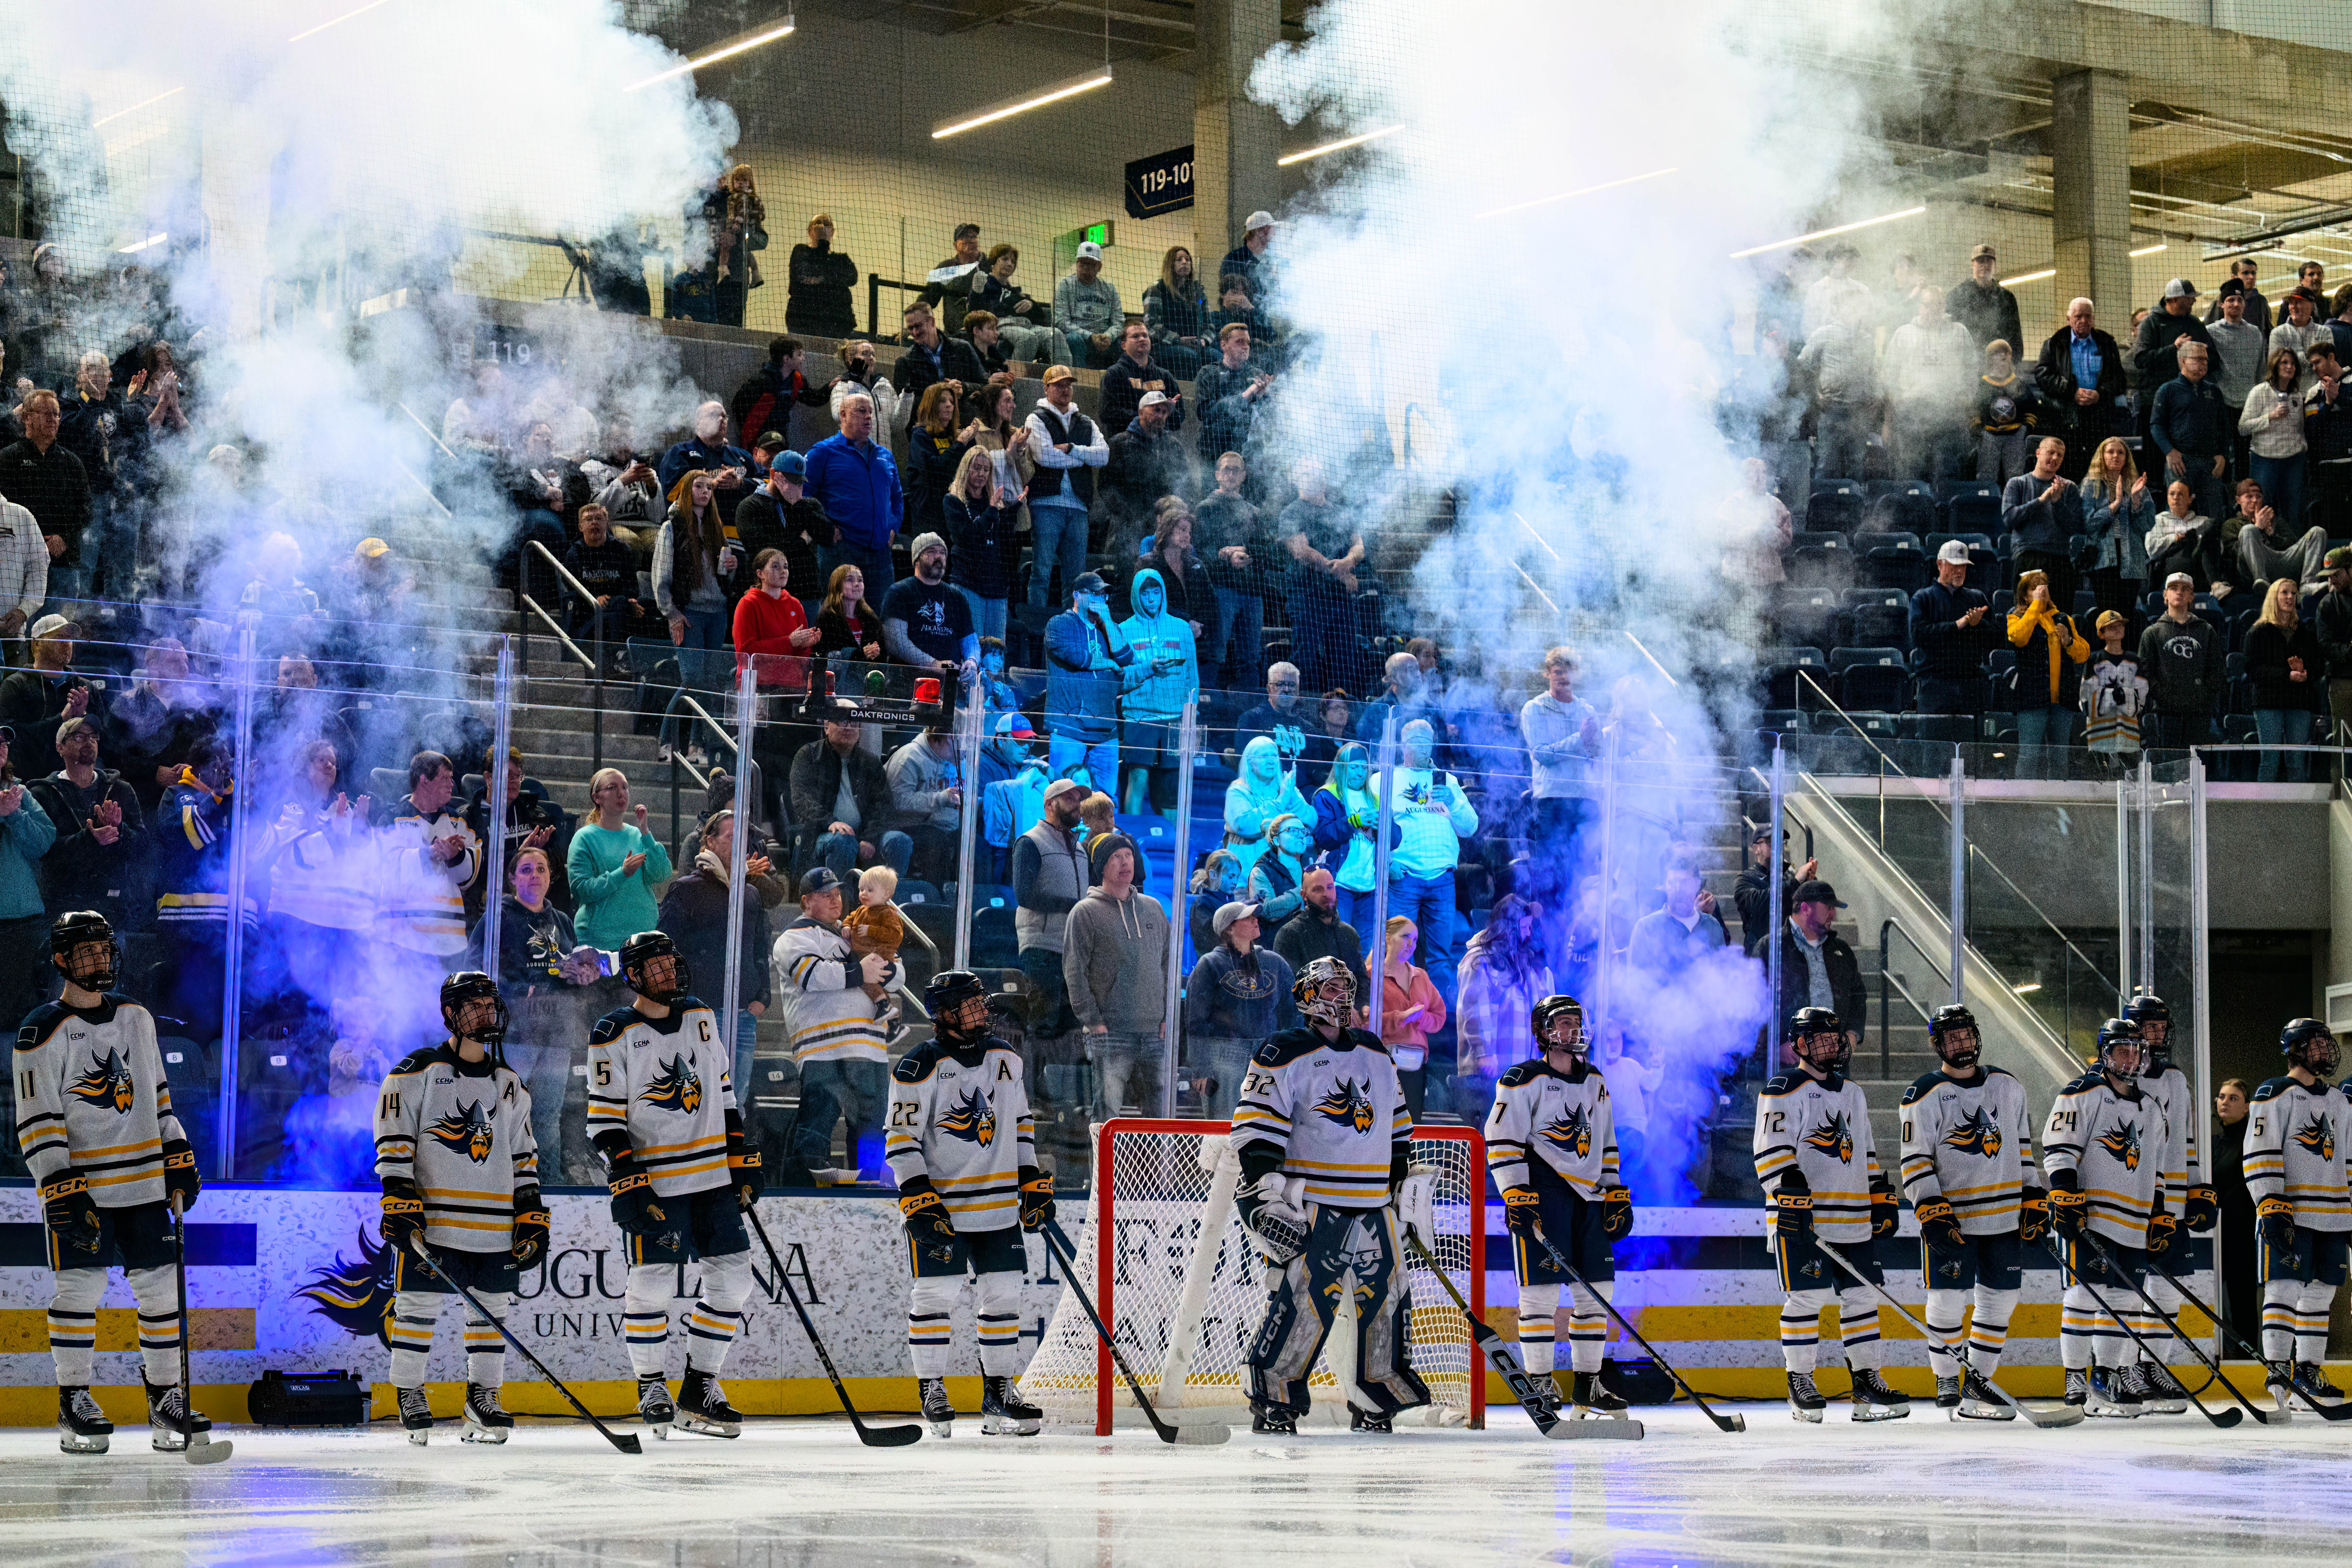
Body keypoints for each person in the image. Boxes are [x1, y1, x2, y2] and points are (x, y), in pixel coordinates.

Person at [20, 911, 207, 1455]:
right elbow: (38, 1118)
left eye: (104, 949)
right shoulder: (41, 1030)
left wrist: (176, 1147)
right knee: (79, 1289)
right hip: (85, 1188)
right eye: (86, 952)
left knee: (161, 1290)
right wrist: (59, 1183)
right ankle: (73, 1399)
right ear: (61, 959)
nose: (99, 960)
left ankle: (164, 1398)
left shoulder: (136, 1017)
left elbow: (159, 1096)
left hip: (145, 1184)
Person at [1231, 955, 1427, 1436]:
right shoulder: (1284, 1050)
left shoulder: (1376, 1052)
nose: (1342, 996)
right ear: (1307, 996)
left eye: (1346, 987)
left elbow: (1397, 1125)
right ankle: (1274, 1398)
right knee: (1304, 1302)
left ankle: (1375, 1395)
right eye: (1332, 989)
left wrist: (1401, 1183)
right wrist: (1264, 1184)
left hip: (1373, 1205)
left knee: (1387, 1300)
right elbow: (1257, 1126)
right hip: (1314, 1201)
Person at [587, 930, 761, 1439]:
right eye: (655, 967)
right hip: (657, 1181)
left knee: (734, 1280)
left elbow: (725, 1093)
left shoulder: (702, 1016)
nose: (668, 972)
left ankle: (699, 1388)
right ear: (634, 975)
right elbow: (603, 1120)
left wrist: (741, 1155)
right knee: (653, 1284)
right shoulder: (612, 1032)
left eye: (670, 962)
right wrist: (627, 1176)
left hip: (713, 1177)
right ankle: (651, 1385)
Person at [370, 973, 543, 1445]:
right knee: (418, 1307)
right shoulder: (417, 1070)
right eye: (474, 1005)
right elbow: (393, 1139)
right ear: (449, 1013)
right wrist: (399, 1196)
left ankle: (482, 1397)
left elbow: (524, 1154)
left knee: (491, 1312)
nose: (486, 1012)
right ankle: (409, 1391)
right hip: (437, 1221)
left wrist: (530, 1210)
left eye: (490, 1003)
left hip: (494, 1224)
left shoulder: (509, 1083)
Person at [887, 969, 1047, 1438]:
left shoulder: (1005, 1057)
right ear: (945, 1013)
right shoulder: (919, 1066)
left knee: (1004, 1295)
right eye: (970, 1004)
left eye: (981, 1002)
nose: (982, 1010)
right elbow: (900, 1138)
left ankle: (999, 1392)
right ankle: (932, 1388)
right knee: (936, 1295)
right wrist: (917, 1195)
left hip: (997, 1207)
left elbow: (1020, 1122)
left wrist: (1031, 1178)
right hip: (944, 1207)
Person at [1752, 1006, 1905, 1422]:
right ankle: (1798, 1380)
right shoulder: (1783, 1087)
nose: (1832, 1045)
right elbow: (1770, 1151)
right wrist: (1788, 1193)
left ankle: (1865, 1381)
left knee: (1861, 1297)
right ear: (1800, 1044)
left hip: (1852, 1215)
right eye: (1820, 1038)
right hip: (1801, 1217)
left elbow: (1866, 1153)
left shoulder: (1852, 1092)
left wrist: (1879, 1194)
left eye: (1835, 1037)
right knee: (1807, 1296)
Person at [1486, 995, 1634, 1421]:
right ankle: (1540, 1382)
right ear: (1542, 1032)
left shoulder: (1596, 1080)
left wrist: (1613, 1191)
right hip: (1543, 1193)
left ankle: (1588, 1384)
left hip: (1588, 1199)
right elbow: (1502, 1140)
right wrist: (1515, 1193)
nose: (1573, 1030)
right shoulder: (1522, 1078)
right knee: (1540, 1296)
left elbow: (1606, 1141)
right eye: (1563, 1023)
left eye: (1576, 1022)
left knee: (1597, 1294)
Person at [1896, 1003, 2044, 1421]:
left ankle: (1979, 1383)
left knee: (2001, 1301)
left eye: (1966, 1035)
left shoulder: (2008, 1086)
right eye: (1951, 1037)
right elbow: (1914, 1159)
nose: (1961, 1043)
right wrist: (1928, 1206)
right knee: (1947, 1300)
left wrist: (2033, 1197)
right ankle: (1946, 1377)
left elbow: (2022, 1150)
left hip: (2002, 1220)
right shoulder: (1923, 1093)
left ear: (1976, 1036)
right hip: (1953, 1220)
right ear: (1938, 1045)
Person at [2043, 1018, 2178, 1417]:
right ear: (2105, 1053)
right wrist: (2065, 1196)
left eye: (2138, 1050)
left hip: (2134, 1219)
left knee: (2124, 1301)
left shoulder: (2151, 1106)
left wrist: (2157, 1214)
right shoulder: (2081, 1092)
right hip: (2091, 1216)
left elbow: (2154, 1168)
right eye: (2123, 1049)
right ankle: (2073, 1375)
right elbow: (2058, 1149)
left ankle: (2105, 1376)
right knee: (2084, 1294)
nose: (2132, 1057)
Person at [471, 846, 595, 1180]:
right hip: (514, 1037)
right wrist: (520, 987)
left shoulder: (563, 922)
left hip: (556, 1036)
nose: (535, 876)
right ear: (512, 879)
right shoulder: (497, 919)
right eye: (526, 870)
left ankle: (550, 1186)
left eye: (541, 869)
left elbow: (567, 971)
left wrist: (580, 977)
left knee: (547, 1116)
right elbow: (475, 971)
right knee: (503, 1114)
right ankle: (495, 1182)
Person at [2246, 1019, 2352, 1407]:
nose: (2325, 1050)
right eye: (2316, 1044)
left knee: (2321, 1295)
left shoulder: (2339, 1101)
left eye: (2326, 1043)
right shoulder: (2273, 1094)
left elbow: (2348, 1160)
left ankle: (2307, 1371)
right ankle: (2277, 1373)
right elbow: (2259, 1152)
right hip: (2290, 1211)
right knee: (2283, 1290)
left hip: (2334, 1215)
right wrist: (2269, 1201)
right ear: (2295, 1048)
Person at [771, 866, 894, 1184]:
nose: (835, 900)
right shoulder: (793, 937)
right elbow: (812, 976)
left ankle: (870, 1182)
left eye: (837, 894)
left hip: (869, 1044)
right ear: (805, 901)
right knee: (817, 1124)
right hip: (822, 1047)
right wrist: (861, 972)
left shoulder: (854, 932)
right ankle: (801, 1196)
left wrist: (884, 967)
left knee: (871, 1126)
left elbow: (898, 973)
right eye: (826, 895)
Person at [656, 808, 774, 1122]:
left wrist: (763, 995)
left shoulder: (750, 893)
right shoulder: (687, 888)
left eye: (744, 837)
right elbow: (664, 948)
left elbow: (761, 948)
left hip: (743, 1015)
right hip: (699, 1012)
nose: (740, 843)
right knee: (698, 1100)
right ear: (709, 841)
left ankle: (729, 1169)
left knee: (736, 1102)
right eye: (731, 836)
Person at [372, 753, 484, 1046]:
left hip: (450, 944)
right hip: (404, 942)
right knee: (404, 1022)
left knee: (444, 1023)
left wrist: (455, 855)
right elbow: (387, 870)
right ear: (424, 780)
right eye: (445, 778)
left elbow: (469, 878)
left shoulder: (460, 823)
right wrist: (430, 854)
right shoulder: (391, 818)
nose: (452, 785)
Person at [1063, 834, 1169, 1120]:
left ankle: (1157, 1168)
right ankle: (1102, 1168)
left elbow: (1167, 965)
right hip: (1110, 1033)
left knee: (1161, 1116)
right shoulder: (1085, 912)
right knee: (1107, 1115)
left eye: (1129, 855)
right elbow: (1075, 972)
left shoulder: (1154, 908)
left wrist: (1167, 1017)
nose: (1125, 863)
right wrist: (1094, 1022)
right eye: (1116, 857)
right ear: (1102, 866)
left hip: (1154, 1033)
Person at [1372, 719, 1476, 1007]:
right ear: (1403, 744)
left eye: (1427, 739)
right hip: (1404, 877)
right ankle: (1392, 1011)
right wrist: (1388, 861)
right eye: (1416, 739)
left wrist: (1454, 802)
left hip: (1442, 878)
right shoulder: (1385, 779)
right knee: (1395, 949)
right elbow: (1373, 828)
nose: (1422, 745)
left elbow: (1471, 828)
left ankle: (1439, 1021)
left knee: (1441, 956)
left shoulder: (1448, 780)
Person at [29, 716, 145, 937]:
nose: (89, 742)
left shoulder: (121, 790)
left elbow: (143, 848)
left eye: (93, 737)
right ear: (60, 747)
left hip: (113, 910)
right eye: (79, 737)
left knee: (113, 970)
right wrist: (90, 839)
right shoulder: (42, 793)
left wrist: (119, 830)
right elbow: (45, 851)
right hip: (63, 911)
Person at [1184, 900, 1293, 1118]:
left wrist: (1291, 1055)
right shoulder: (1210, 964)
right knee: (1224, 1129)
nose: (1255, 920)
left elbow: (1291, 1012)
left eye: (1255, 916)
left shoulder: (1275, 963)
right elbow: (1196, 1021)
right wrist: (1201, 1068)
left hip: (1268, 1054)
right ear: (1229, 928)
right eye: (1247, 917)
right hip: (1223, 1056)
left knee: (1266, 1125)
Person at [1452, 894, 1553, 1115]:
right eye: (1524, 926)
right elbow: (1476, 1008)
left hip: (1521, 1071)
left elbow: (1542, 1006)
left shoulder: (1523, 962)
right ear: (1509, 928)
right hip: (1489, 1073)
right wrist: (1484, 1053)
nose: (1528, 933)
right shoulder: (1480, 960)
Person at [789, 708, 913, 883]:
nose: (849, 727)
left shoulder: (869, 762)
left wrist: (869, 839)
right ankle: (839, 906)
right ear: (826, 726)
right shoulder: (808, 756)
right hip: (821, 835)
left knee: (900, 840)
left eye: (854, 723)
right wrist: (831, 822)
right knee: (842, 841)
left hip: (866, 834)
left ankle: (890, 906)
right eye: (842, 722)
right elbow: (802, 801)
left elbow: (884, 807)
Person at [1280, 459, 1367, 696]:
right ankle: (1305, 712)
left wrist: (1348, 563)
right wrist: (1337, 571)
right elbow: (1301, 550)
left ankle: (1338, 716)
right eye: (1307, 474)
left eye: (1318, 473)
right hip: (1308, 598)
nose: (1314, 478)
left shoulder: (1340, 512)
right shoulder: (1291, 512)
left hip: (1341, 602)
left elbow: (1358, 546)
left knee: (1343, 663)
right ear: (1297, 479)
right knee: (1305, 660)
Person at [1024, 365, 1108, 609]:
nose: (1065, 389)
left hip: (1079, 508)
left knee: (1076, 579)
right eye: (1059, 385)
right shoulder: (1035, 418)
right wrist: (1084, 459)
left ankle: (1072, 627)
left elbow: (1103, 456)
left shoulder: (1086, 421)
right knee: (1041, 572)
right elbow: (1044, 457)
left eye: (1068, 384)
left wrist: (1072, 449)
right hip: (1045, 506)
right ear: (1046, 388)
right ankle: (1036, 626)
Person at [804, 393, 903, 598]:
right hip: (840, 551)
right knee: (839, 618)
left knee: (880, 618)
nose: (868, 417)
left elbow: (897, 497)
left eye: (870, 412)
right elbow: (804, 498)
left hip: (881, 554)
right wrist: (825, 529)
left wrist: (893, 527)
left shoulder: (885, 455)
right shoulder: (822, 452)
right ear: (843, 415)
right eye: (861, 411)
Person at [1116, 564, 1196, 813]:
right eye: (1145, 593)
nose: (1151, 599)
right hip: (1140, 717)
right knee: (1138, 780)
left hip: (1175, 718)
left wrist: (1192, 716)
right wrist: (1148, 668)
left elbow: (1192, 676)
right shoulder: (1123, 630)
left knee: (1172, 787)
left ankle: (1173, 846)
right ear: (1135, 596)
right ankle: (1132, 841)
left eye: (1156, 592)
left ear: (1163, 593)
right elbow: (1121, 679)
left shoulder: (1182, 628)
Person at [566, 768, 673, 953]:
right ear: (597, 798)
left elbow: (662, 874)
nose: (621, 793)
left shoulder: (638, 834)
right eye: (612, 787)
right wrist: (622, 874)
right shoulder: (584, 838)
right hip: (601, 942)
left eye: (625, 787)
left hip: (643, 939)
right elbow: (581, 891)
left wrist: (646, 833)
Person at [1042, 572, 1131, 792]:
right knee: (1064, 797)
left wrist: (1108, 621)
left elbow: (1127, 658)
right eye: (1094, 594)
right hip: (1069, 729)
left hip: (1106, 730)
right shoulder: (1059, 624)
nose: (1100, 600)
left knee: (1107, 801)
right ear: (1076, 596)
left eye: (1103, 595)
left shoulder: (1108, 628)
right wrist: (1110, 664)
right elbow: (1079, 658)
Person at [0, 390, 90, 601]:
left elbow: (85, 509)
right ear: (27, 417)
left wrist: (64, 539)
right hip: (16, 565)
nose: (53, 419)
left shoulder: (72, 463)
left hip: (62, 564)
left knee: (58, 631)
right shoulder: (7, 460)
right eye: (46, 413)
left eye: (57, 414)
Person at [1880, 286, 1975, 483]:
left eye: (1938, 305)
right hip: (1911, 416)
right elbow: (1889, 375)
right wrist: (1893, 412)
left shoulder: (1959, 333)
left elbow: (1972, 371)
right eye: (1928, 305)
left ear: (1945, 307)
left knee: (1947, 474)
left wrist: (1965, 401)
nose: (1933, 310)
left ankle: (1943, 512)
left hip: (1949, 415)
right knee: (1911, 472)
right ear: (1920, 306)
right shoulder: (1903, 333)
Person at [2007, 568, 2092, 780]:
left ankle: (2058, 808)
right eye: (2034, 589)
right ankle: (2024, 805)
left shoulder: (2063, 618)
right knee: (2029, 757)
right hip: (2031, 699)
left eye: (2043, 588)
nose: (2040, 592)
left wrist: (2069, 641)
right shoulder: (2015, 616)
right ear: (2025, 595)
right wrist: (2035, 606)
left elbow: (2084, 655)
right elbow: (2018, 638)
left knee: (2060, 759)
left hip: (2062, 700)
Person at [1521, 645, 1602, 862]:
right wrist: (1580, 738)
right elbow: (1543, 755)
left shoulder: (1587, 711)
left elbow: (1596, 756)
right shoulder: (1533, 708)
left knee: (1582, 869)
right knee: (1549, 869)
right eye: (1558, 672)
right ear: (1548, 673)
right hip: (1551, 800)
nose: (1564, 677)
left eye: (1569, 671)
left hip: (1584, 800)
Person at [2034, 300, 2127, 480]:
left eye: (2088, 316)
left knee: (2098, 469)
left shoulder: (2107, 343)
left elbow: (2120, 380)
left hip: (2099, 418)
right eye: (2078, 316)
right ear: (2069, 319)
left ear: (2093, 319)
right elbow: (2043, 376)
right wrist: (2072, 392)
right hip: (2065, 418)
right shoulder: (2053, 344)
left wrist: (2101, 394)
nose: (2083, 320)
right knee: (2067, 468)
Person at [733, 450, 835, 613]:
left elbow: (829, 535)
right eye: (789, 480)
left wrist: (801, 506)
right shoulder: (749, 507)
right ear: (773, 474)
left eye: (798, 482)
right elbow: (764, 551)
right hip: (769, 595)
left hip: (805, 592)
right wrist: (802, 541)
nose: (794, 486)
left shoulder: (803, 505)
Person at [2245, 575, 2325, 782]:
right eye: (2285, 593)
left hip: (2299, 703)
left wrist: (2305, 674)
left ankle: (2297, 812)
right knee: (2269, 759)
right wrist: (2287, 675)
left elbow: (2318, 667)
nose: (2290, 597)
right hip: (2268, 703)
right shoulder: (2258, 633)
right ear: (2274, 597)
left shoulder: (2306, 634)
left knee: (2296, 761)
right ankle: (2263, 812)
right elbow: (2254, 672)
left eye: (2294, 593)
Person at [2138, 573, 2226, 753]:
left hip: (2199, 713)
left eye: (2185, 590)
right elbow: (2146, 674)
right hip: (2165, 713)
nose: (2180, 593)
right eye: (2174, 589)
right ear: (2165, 595)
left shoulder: (2206, 630)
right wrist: (2165, 698)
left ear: (2192, 597)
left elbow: (2217, 670)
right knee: (2170, 766)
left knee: (2198, 767)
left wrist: (2202, 698)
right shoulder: (2152, 633)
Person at [654, 470, 741, 653]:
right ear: (687, 490)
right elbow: (661, 576)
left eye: (709, 487)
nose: (705, 492)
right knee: (693, 676)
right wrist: (673, 614)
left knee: (712, 675)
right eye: (699, 486)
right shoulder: (671, 527)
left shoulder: (717, 528)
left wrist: (731, 567)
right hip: (689, 612)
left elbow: (724, 576)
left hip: (718, 612)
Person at [1908, 541, 1996, 718]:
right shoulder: (1923, 597)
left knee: (1972, 745)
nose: (1959, 570)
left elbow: (1997, 639)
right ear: (1939, 564)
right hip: (1935, 686)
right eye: (1954, 565)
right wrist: (1958, 625)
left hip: (1970, 686)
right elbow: (1919, 635)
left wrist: (1979, 625)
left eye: (1963, 565)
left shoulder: (1977, 597)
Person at [1271, 866, 1370, 1018]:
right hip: (1308, 1027)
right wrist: (1335, 1012)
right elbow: (1291, 990)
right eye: (1318, 890)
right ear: (1304, 895)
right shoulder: (1290, 934)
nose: (1327, 895)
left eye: (1330, 887)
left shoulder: (1349, 933)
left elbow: (1360, 977)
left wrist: (1363, 1006)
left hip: (1348, 1024)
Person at [1312, 743, 1389, 937]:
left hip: (1369, 886)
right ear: (1341, 767)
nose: (1360, 773)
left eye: (1364, 768)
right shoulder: (1327, 795)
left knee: (1365, 950)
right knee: (1338, 942)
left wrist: (1385, 823)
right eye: (1354, 767)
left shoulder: (1376, 799)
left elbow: (1395, 840)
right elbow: (1323, 836)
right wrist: (1355, 820)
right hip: (1340, 884)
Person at [2148, 340, 2229, 525]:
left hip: (2210, 464)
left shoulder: (2214, 391)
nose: (2203, 364)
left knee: (2213, 518)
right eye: (2198, 359)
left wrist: (2222, 455)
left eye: (2206, 360)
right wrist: (2170, 451)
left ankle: (2211, 553)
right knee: (2178, 518)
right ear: (2183, 361)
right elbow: (2156, 425)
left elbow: (2224, 428)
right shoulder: (2167, 390)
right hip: (2180, 463)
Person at [943, 447, 1016, 643]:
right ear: (966, 470)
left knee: (996, 653)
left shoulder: (995, 504)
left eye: (986, 469)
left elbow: (1004, 544)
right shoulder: (953, 501)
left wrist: (1013, 512)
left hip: (996, 588)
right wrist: (992, 510)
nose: (982, 474)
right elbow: (968, 537)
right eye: (976, 468)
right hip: (968, 584)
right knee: (971, 649)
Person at [2080, 435, 2153, 633]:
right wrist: (2115, 505)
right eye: (2111, 452)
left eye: (2121, 452)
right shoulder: (2090, 484)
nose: (2116, 456)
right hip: (2103, 561)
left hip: (2131, 560)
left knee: (2127, 617)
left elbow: (2146, 526)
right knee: (2108, 617)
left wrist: (2136, 501)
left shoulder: (2137, 485)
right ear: (2102, 456)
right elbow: (2087, 523)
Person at [2001, 438, 2082, 614]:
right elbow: (2009, 520)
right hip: (2028, 556)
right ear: (2038, 453)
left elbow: (2075, 527)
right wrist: (2041, 501)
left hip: (2060, 560)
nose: (2055, 458)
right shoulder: (2017, 483)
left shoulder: (2070, 488)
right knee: (2027, 617)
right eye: (2050, 452)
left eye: (2060, 455)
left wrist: (2058, 502)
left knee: (2061, 618)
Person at [881, 531, 978, 678]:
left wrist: (972, 661)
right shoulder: (900, 592)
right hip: (907, 682)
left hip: (948, 686)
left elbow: (970, 639)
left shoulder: (957, 597)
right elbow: (897, 643)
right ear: (917, 559)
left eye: (942, 552)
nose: (938, 556)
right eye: (931, 551)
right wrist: (934, 664)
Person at [1377, 917, 1444, 1121]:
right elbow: (1363, 1021)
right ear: (1388, 938)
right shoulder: (1372, 976)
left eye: (1415, 940)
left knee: (1412, 1128)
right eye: (1405, 936)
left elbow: (1440, 1016)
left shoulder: (1421, 976)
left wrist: (1420, 1018)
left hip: (1416, 1067)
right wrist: (1401, 1018)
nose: (1411, 945)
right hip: (1383, 1067)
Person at [2240, 348, 2311, 543]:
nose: (2290, 367)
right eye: (2285, 363)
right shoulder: (2259, 392)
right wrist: (2270, 417)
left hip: (2293, 461)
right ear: (2275, 365)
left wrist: (2302, 447)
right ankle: (2264, 551)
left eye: (2293, 364)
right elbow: (2243, 427)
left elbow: (2300, 429)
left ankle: (2294, 552)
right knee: (2263, 510)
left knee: (2293, 511)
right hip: (2265, 460)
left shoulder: (2297, 396)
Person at [884, 722, 964, 885]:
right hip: (910, 827)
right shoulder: (908, 757)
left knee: (977, 846)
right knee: (937, 842)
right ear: (949, 739)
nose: (965, 752)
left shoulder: (951, 759)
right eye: (963, 744)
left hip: (949, 828)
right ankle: (936, 900)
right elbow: (898, 801)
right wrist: (940, 799)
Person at [2213, 1076, 2259, 1345]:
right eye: (2221, 1096)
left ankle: (2249, 1362)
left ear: (2247, 1107)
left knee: (2242, 1302)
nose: (2225, 1102)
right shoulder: (2215, 1143)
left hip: (2242, 1235)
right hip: (2216, 1235)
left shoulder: (2253, 1142)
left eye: (2233, 1098)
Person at [1625, 854, 1725, 977]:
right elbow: (1635, 984)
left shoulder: (1712, 926)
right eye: (1672, 883)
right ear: (1665, 887)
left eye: (1685, 883)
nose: (1678, 889)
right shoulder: (1647, 928)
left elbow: (1723, 974)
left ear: (1697, 885)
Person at [963, 245, 1063, 368]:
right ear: (994, 263)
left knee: (1056, 335)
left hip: (1025, 325)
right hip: (1001, 325)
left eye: (1013, 261)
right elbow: (974, 312)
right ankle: (1015, 379)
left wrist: (1031, 304)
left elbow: (1041, 315)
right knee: (1028, 338)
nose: (1010, 264)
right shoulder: (984, 283)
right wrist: (977, 291)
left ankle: (1062, 378)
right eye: (1005, 259)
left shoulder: (1014, 292)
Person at [1194, 326, 1274, 467]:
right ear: (1223, 345)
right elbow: (1205, 413)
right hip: (1214, 453)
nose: (1245, 347)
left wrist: (1263, 396)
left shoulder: (1257, 374)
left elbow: (1266, 416)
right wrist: (1246, 396)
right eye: (1240, 342)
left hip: (1248, 455)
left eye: (1248, 343)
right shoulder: (1209, 373)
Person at [2080, 612, 2148, 775]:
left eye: (2121, 625)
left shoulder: (2135, 660)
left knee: (2130, 782)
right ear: (2101, 633)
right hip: (2100, 737)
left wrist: (2123, 697)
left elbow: (2143, 695)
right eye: (2111, 627)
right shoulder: (2093, 660)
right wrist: (2114, 696)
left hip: (2128, 736)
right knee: (2102, 783)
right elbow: (2085, 699)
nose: (2118, 629)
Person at [1733, 827, 1816, 949]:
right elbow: (1758, 905)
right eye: (1770, 842)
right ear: (1756, 848)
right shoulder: (1745, 879)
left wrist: (1810, 882)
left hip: (1792, 952)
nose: (1778, 846)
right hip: (1761, 954)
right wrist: (1796, 881)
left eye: (1781, 842)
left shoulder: (1790, 875)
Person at [785, 212, 858, 339]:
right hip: (803, 320)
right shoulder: (801, 251)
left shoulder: (842, 260)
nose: (823, 227)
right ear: (810, 231)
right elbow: (802, 274)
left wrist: (820, 280)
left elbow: (852, 278)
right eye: (819, 223)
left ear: (833, 231)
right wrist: (832, 281)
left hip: (835, 323)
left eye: (827, 224)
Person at [1053, 241, 1123, 369]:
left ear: (1099, 267)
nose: (1086, 268)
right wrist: (1090, 336)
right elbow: (1061, 321)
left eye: (1091, 264)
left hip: (1104, 338)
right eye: (1083, 263)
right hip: (1080, 338)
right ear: (1077, 263)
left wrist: (1108, 336)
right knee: (1074, 339)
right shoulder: (1066, 285)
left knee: (1123, 343)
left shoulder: (1109, 289)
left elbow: (1118, 322)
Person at [1246, 814, 1314, 943]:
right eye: (1293, 831)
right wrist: (1305, 887)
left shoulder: (1311, 865)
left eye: (1303, 831)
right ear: (1277, 841)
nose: (1301, 835)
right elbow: (1268, 912)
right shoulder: (1261, 871)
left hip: (1309, 941)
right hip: (1277, 944)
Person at [1945, 244, 2022, 355]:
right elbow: (1949, 334)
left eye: (1988, 262)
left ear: (1994, 265)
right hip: (1967, 365)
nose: (1985, 265)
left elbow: (2016, 339)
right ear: (1973, 265)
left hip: (1997, 365)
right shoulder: (1958, 296)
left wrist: (2010, 365)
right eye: (1980, 261)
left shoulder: (2006, 299)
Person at [815, 563, 886, 662]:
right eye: (850, 580)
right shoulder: (827, 618)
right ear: (837, 585)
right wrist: (861, 655)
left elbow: (883, 655)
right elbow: (825, 656)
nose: (857, 584)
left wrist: (876, 653)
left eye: (860, 580)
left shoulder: (872, 620)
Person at [2270, 289, 2330, 394]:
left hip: (2319, 395)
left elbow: (2328, 366)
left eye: (2298, 302)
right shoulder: (2278, 334)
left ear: (2311, 305)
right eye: (2291, 303)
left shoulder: (2325, 332)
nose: (2293, 307)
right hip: (2289, 396)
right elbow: (2276, 369)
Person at [2207, 257, 2272, 335]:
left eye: (2253, 273)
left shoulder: (2261, 301)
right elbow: (2210, 328)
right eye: (2246, 273)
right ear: (2234, 277)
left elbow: (2267, 329)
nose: (2251, 277)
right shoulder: (2222, 302)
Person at [1221, 211, 1278, 298]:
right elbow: (1229, 294)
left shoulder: (1273, 258)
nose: (1274, 232)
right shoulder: (1234, 258)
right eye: (1269, 228)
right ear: (1258, 231)